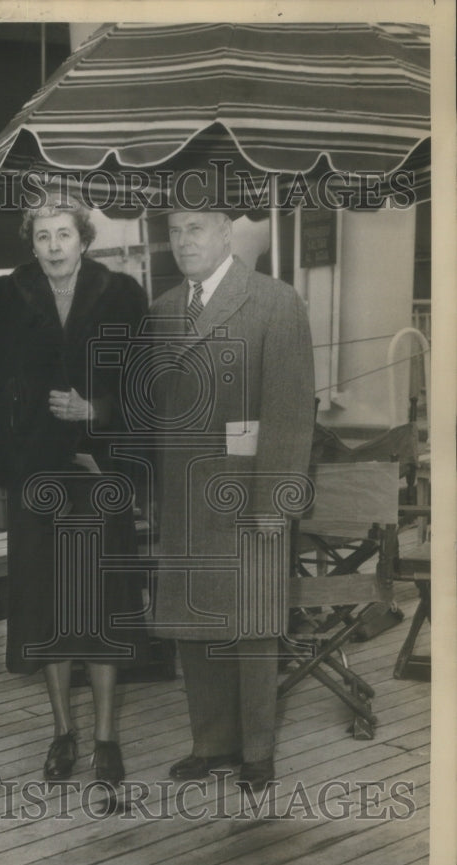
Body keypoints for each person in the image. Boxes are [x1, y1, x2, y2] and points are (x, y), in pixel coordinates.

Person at [0, 183, 149, 784]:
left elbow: (147, 389)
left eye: (63, 233)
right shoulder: (0, 297)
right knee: (46, 605)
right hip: (36, 479)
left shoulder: (122, 294)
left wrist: (95, 412)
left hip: (100, 475)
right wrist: (12, 456)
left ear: (84, 237)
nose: (52, 246)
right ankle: (62, 734)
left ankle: (105, 738)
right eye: (41, 236)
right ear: (31, 242)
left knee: (102, 604)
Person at [150, 201, 315, 791]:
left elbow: (292, 412)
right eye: (173, 232)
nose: (182, 241)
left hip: (250, 494)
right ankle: (212, 744)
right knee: (196, 623)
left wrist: (276, 499)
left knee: (252, 625)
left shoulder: (274, 301)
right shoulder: (165, 310)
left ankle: (258, 753)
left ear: (225, 233)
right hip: (186, 496)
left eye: (195, 229)